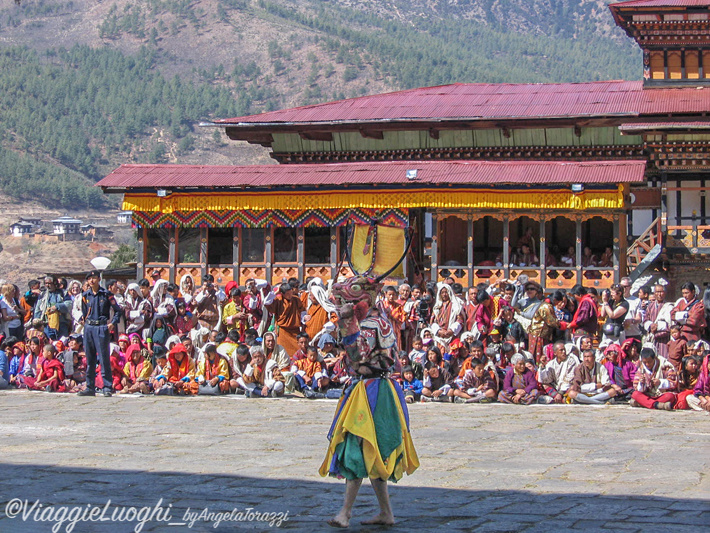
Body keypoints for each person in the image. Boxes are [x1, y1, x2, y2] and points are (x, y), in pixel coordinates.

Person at [77, 271, 122, 397]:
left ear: (99, 279)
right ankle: (90, 386)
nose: (92, 281)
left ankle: (107, 387)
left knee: (103, 358)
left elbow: (118, 311)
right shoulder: (86, 295)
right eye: (89, 279)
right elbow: (85, 312)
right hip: (89, 327)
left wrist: (112, 323)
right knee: (90, 358)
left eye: (94, 278)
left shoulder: (106, 294)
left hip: (101, 327)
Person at [265, 282, 304, 356]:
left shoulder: (296, 299)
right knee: (283, 352)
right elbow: (266, 303)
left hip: (295, 330)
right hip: (283, 331)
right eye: (287, 294)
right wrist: (276, 292)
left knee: (297, 351)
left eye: (290, 293)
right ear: (282, 293)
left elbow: (302, 310)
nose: (290, 296)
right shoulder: (278, 300)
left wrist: (304, 318)